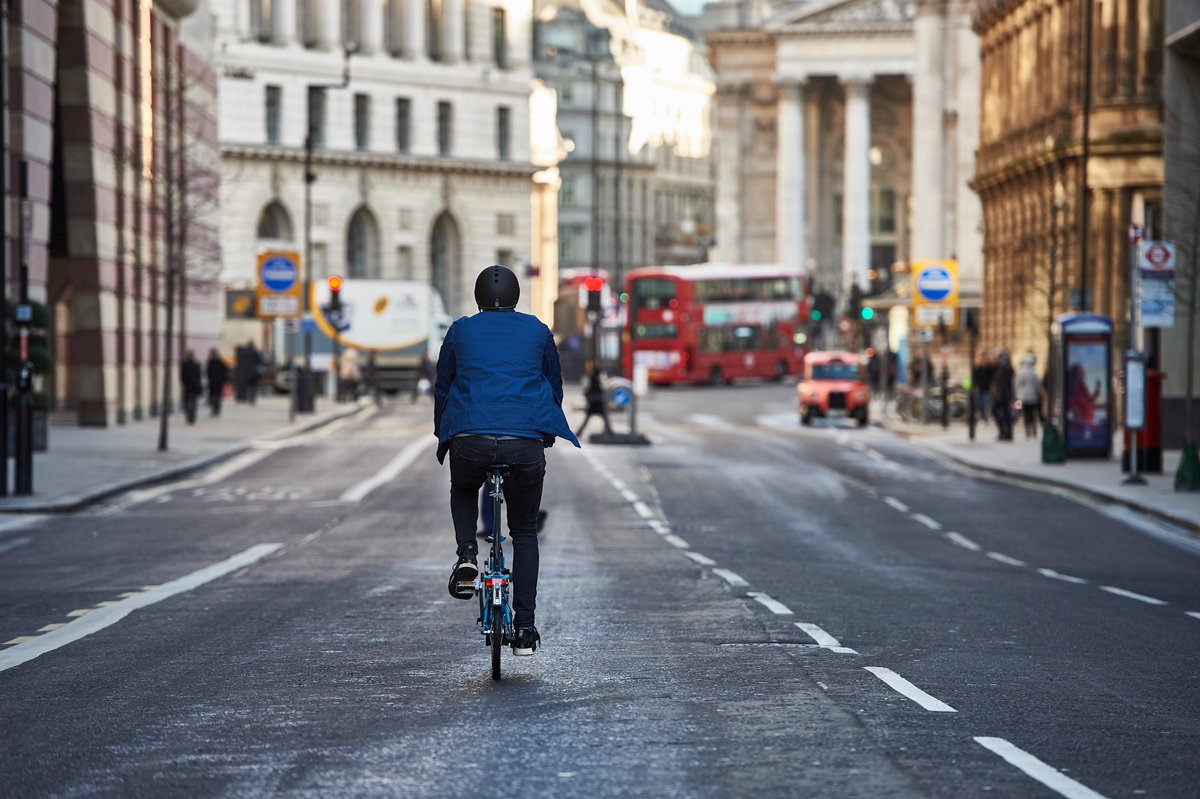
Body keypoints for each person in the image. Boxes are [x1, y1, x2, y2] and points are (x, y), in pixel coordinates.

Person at [434, 264, 580, 656]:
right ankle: (526, 629)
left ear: (478, 297)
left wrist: (443, 435)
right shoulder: (536, 329)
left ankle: (467, 555)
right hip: (524, 439)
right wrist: (544, 433)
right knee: (526, 532)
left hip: (470, 437)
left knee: (463, 487)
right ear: (517, 296)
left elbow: (443, 386)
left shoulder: (460, 330)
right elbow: (553, 385)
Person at [574, 370, 614, 438]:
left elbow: (586, 392)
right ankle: (609, 432)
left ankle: (579, 433)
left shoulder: (592, 380)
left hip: (593, 404)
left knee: (588, 419)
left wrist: (589, 400)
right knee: (604, 419)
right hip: (597, 403)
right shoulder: (596, 381)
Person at [1016, 352, 1042, 439]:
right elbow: (1037, 384)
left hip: (1023, 396)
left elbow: (1017, 384)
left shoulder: (1020, 372)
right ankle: (1034, 429)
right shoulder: (1034, 372)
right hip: (1033, 396)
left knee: (1026, 414)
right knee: (1033, 413)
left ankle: (1028, 429)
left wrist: (1018, 394)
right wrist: (1038, 393)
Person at [991, 349, 1015, 441]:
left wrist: (1000, 393)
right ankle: (1003, 431)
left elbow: (1005, 382)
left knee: (1005, 413)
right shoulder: (1000, 367)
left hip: (1004, 395)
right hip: (1001, 394)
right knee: (999, 412)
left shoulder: (1007, 368)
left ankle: (1007, 433)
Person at [972, 353, 996, 427]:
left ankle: (984, 418)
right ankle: (982, 418)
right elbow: (974, 378)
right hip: (979, 389)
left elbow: (993, 376)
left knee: (985, 404)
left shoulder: (990, 368)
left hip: (986, 389)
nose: (983, 361)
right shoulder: (977, 368)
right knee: (979, 404)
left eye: (984, 359)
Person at [180, 350, 203, 425]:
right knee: (194, 402)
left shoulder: (184, 364)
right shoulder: (197, 364)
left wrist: (183, 383)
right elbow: (199, 376)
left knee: (187, 401)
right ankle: (192, 416)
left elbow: (182, 376)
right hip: (194, 386)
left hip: (188, 386)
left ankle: (189, 415)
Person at [206, 348, 229, 417]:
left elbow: (208, 372)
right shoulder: (221, 362)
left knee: (213, 395)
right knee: (218, 396)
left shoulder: (210, 362)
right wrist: (224, 380)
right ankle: (217, 409)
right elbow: (225, 371)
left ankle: (213, 409)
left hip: (212, 382)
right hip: (219, 382)